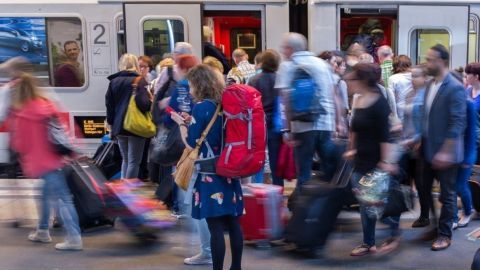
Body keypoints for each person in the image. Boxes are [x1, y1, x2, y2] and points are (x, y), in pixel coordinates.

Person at [171, 65, 244, 270]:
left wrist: (181, 124)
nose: (190, 89)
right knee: (233, 223)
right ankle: (236, 267)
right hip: (230, 170)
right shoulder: (225, 103)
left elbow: (192, 143)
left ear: (199, 84)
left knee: (215, 227)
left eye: (192, 84)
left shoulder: (201, 107)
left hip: (210, 174)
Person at [8, 73, 82, 250]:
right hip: (57, 158)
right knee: (43, 194)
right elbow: (65, 129)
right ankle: (42, 230)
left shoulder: (22, 114)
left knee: (64, 199)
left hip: (43, 163)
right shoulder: (47, 105)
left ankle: (74, 237)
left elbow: (20, 144)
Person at [343, 63, 399, 256]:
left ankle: (391, 234)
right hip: (360, 159)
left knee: (376, 203)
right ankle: (369, 243)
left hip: (375, 162)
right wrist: (351, 149)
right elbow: (354, 128)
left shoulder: (379, 102)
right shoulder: (358, 99)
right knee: (366, 203)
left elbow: (385, 135)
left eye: (352, 79)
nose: (348, 82)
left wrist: (385, 162)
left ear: (362, 80)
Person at [420, 44, 467, 251]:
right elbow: (428, 116)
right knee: (423, 188)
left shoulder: (455, 87)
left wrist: (446, 151)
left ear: (443, 62)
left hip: (446, 154)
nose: (427, 62)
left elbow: (457, 123)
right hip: (428, 149)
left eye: (431, 59)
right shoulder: (431, 84)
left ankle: (445, 234)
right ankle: (436, 225)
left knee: (447, 195)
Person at [275, 32, 337, 185]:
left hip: (302, 126)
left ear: (290, 49)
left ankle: (304, 206)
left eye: (284, 48)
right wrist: (337, 123)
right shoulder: (322, 64)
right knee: (328, 168)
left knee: (304, 170)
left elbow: (286, 101)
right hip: (326, 123)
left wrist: (287, 130)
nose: (283, 51)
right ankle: (329, 203)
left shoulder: (287, 66)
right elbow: (332, 95)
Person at [105, 53, 152, 179]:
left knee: (125, 159)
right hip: (135, 125)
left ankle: (123, 189)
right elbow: (144, 104)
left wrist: (111, 124)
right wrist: (150, 101)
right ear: (136, 65)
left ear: (122, 65)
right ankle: (129, 191)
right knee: (134, 161)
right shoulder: (139, 80)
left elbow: (109, 105)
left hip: (119, 126)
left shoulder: (113, 82)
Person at [248, 49, 283, 186]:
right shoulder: (280, 79)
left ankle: (257, 187)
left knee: (258, 158)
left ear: (262, 62)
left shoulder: (254, 80)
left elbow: (249, 103)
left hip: (258, 123)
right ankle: (278, 189)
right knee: (275, 160)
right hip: (276, 124)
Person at [400, 65, 427, 229]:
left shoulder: (427, 96)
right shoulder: (409, 94)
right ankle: (405, 208)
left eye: (416, 76)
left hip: (420, 144)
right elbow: (406, 120)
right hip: (407, 142)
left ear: (425, 78)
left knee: (422, 182)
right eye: (412, 76)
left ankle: (425, 215)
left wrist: (416, 140)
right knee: (407, 178)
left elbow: (426, 123)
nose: (412, 79)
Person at [454, 62, 480, 228]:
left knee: (474, 177)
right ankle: (470, 208)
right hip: (468, 140)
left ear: (476, 76)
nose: (466, 77)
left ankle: (470, 209)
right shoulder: (468, 91)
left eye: (468, 74)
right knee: (468, 178)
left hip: (477, 141)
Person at [388, 55, 413, 122]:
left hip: (400, 112)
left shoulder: (393, 78)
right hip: (414, 110)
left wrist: (394, 116)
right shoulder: (415, 76)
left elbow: (391, 99)